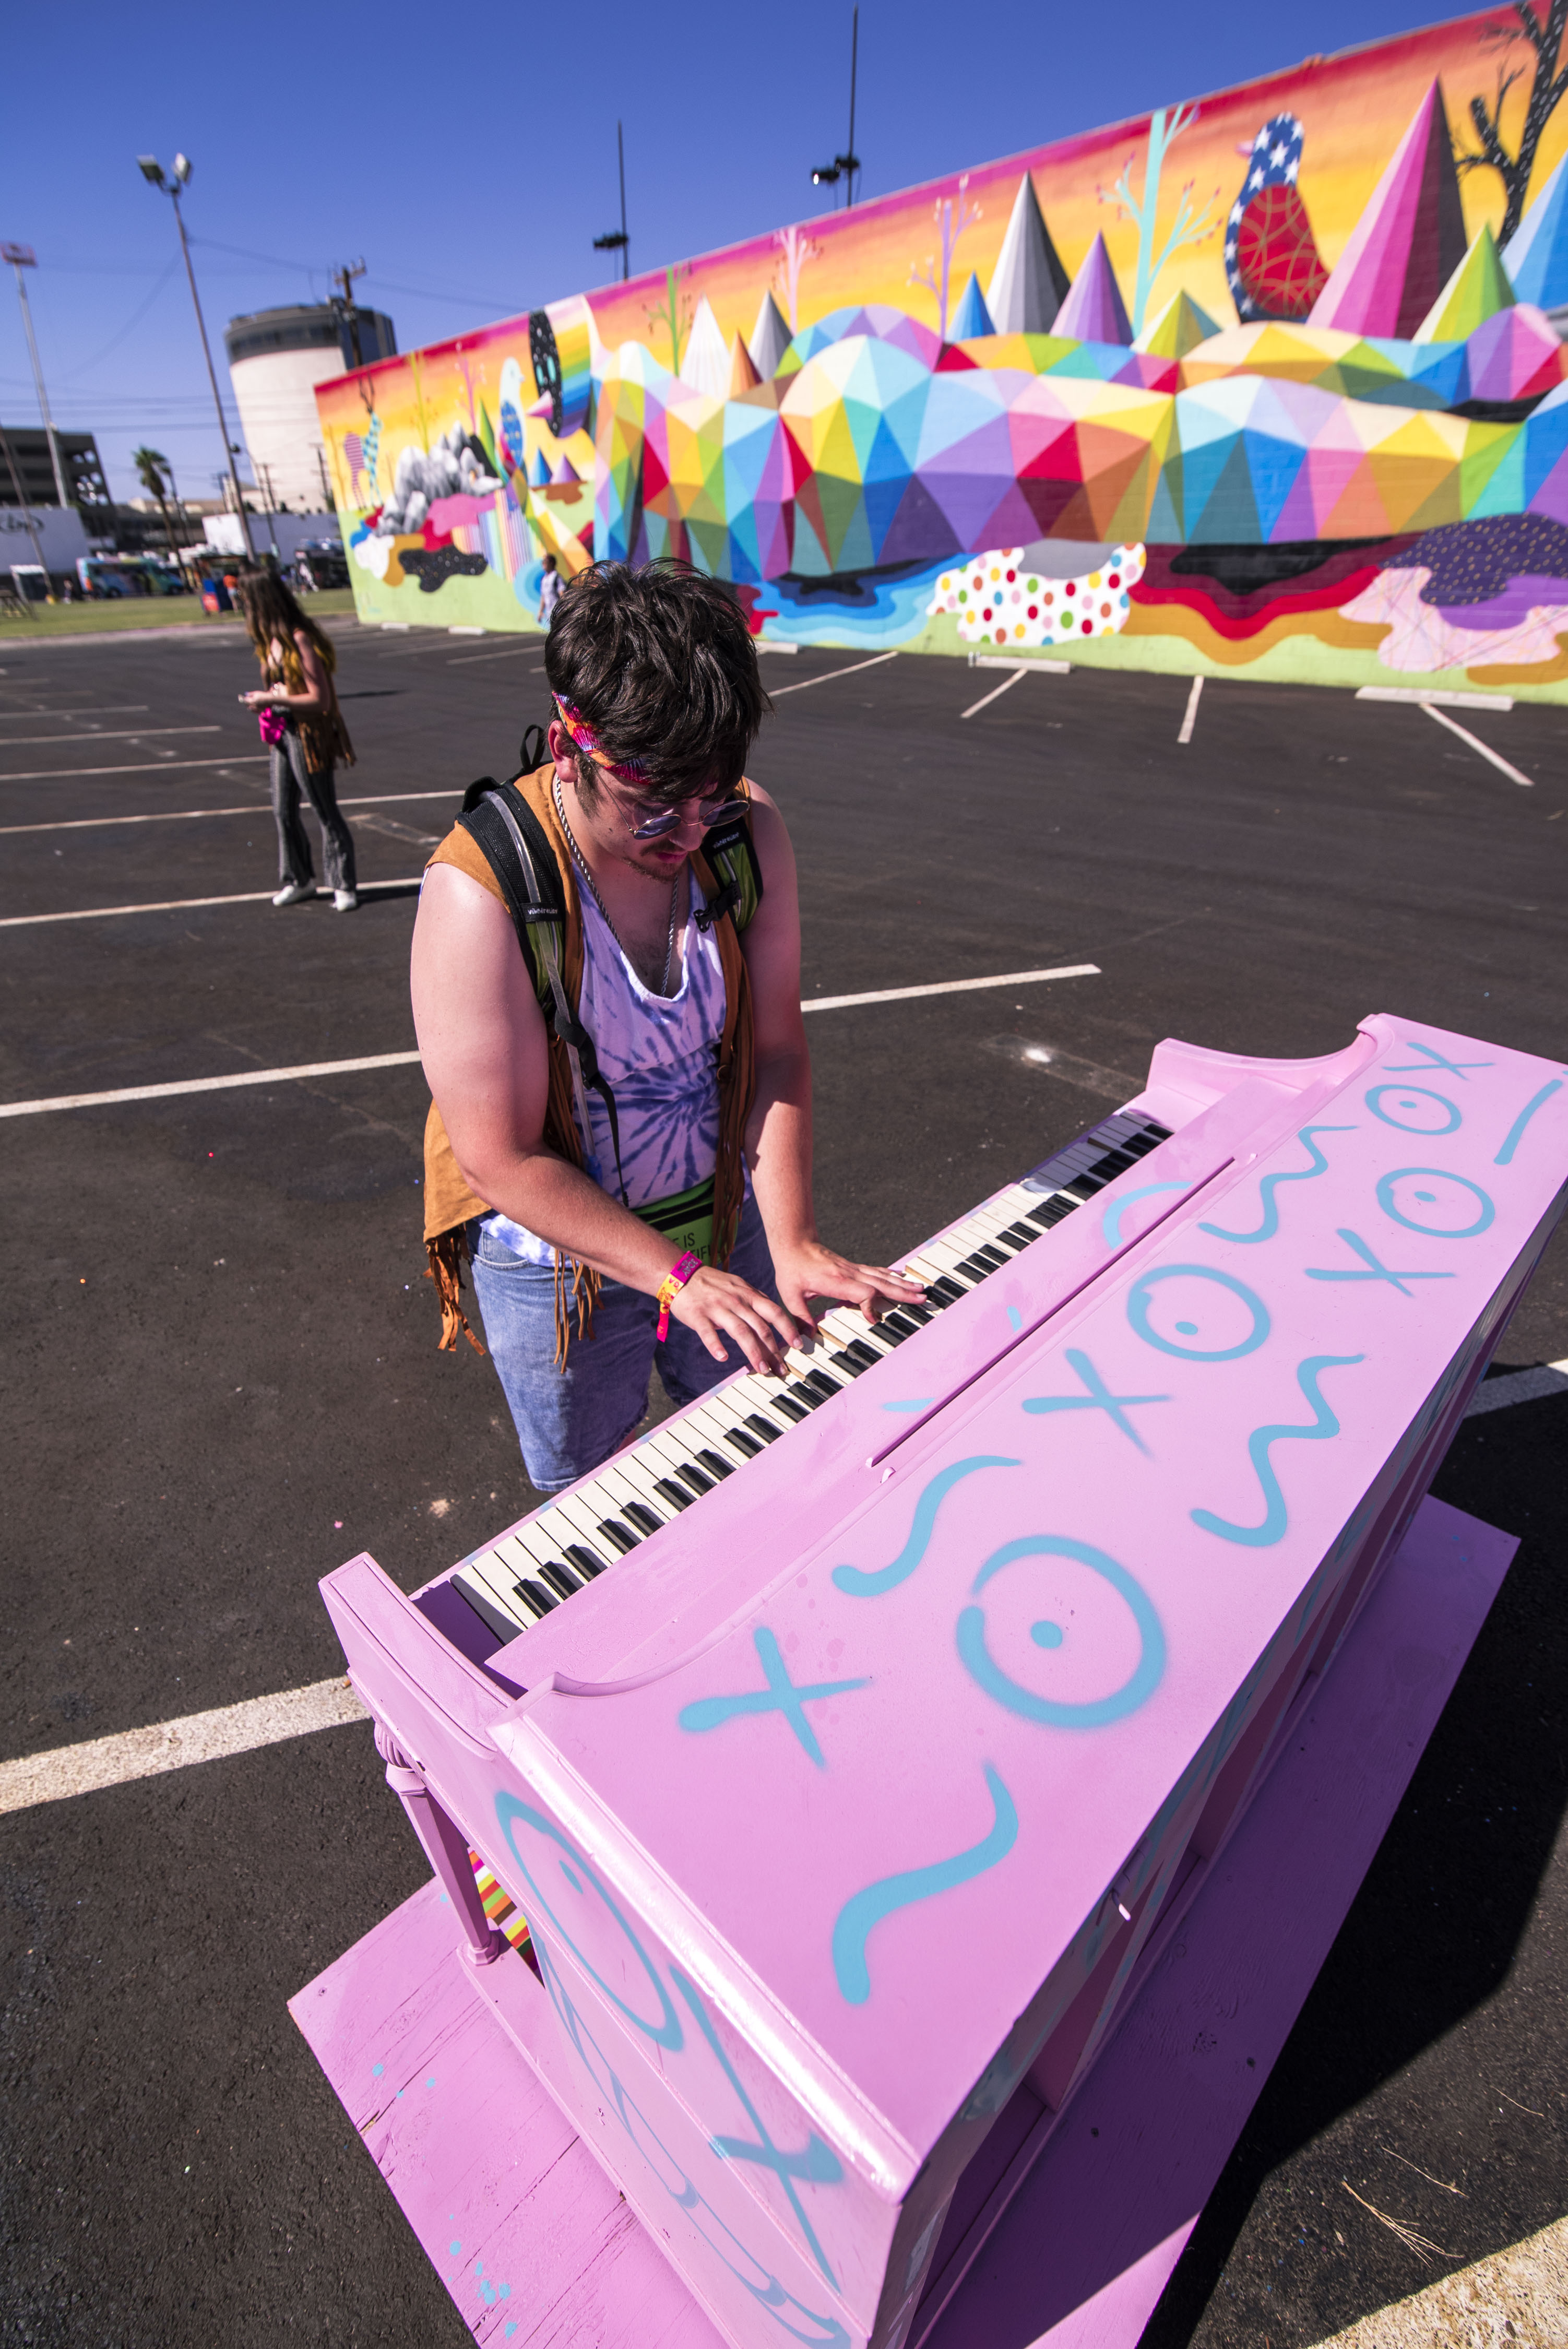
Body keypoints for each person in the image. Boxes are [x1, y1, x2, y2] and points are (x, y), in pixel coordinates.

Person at [411, 559, 924, 1493]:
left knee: (745, 1460)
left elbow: (773, 1050)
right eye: (656, 806)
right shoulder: (481, 890)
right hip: (560, 1267)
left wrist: (796, 1240)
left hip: (722, 1220)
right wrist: (673, 1277)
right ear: (572, 746)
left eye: (711, 795)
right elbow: (500, 1157)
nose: (689, 833)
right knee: (594, 1502)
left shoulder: (741, 832)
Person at [234, 568, 359, 911]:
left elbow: (321, 701)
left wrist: (274, 698)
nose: (243, 607)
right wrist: (268, 698)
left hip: (307, 734)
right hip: (281, 733)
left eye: (246, 600)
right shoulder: (268, 642)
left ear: (262, 601)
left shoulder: (299, 639)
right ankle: (299, 878)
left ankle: (343, 883)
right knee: (282, 810)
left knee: (324, 809)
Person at [537, 552, 562, 627]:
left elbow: (562, 594)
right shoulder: (544, 579)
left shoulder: (556, 577)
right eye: (543, 562)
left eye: (546, 562)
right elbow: (543, 596)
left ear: (551, 563)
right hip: (549, 613)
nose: (543, 564)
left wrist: (563, 609)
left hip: (557, 611)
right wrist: (541, 611)